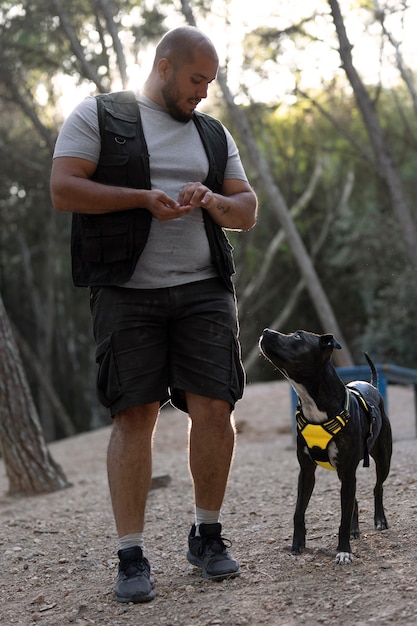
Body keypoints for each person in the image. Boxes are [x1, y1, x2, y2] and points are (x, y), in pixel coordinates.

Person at [50, 25, 257, 603]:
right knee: (134, 416)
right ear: (164, 67)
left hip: (204, 290)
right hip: (125, 292)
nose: (204, 93)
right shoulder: (97, 115)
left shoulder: (212, 135)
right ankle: (131, 553)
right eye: (197, 79)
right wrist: (141, 199)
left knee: (216, 407)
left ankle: (207, 535)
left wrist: (211, 199)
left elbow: (247, 208)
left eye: (210, 82)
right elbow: (64, 188)